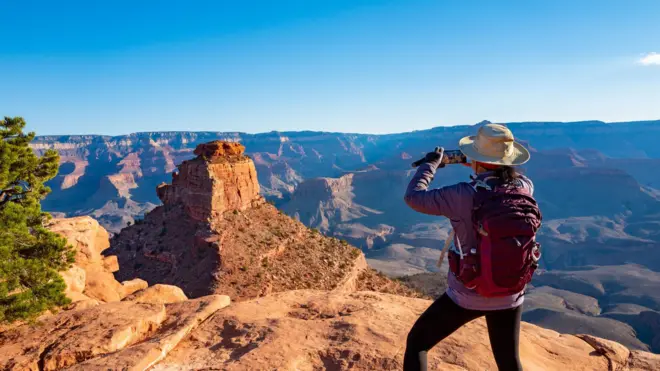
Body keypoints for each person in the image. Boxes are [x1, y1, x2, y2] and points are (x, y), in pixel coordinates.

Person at [402, 123, 539, 371]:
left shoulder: (462, 195)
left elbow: (414, 197)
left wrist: (430, 165)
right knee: (509, 360)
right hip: (510, 293)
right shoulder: (524, 187)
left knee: (418, 343)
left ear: (476, 158)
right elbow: (504, 177)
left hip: (468, 294)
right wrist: (480, 162)